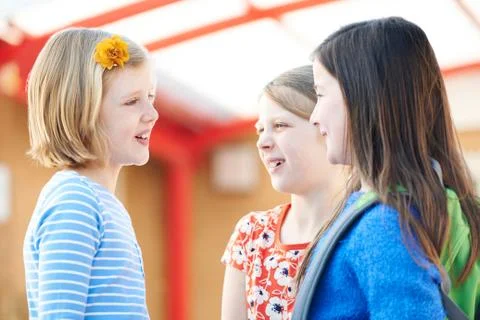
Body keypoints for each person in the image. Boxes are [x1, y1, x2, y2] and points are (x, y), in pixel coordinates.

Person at [296, 16, 480, 319]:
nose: (315, 116)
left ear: (364, 97)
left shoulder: (384, 224)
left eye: (321, 94)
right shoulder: (426, 208)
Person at [23, 28, 158, 319]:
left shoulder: (102, 204)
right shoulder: (76, 202)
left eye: (150, 97)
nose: (152, 113)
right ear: (81, 112)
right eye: (132, 101)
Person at [221, 65, 335, 320]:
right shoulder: (251, 235)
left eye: (280, 125)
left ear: (328, 128)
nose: (263, 141)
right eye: (261, 129)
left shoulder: (365, 226)